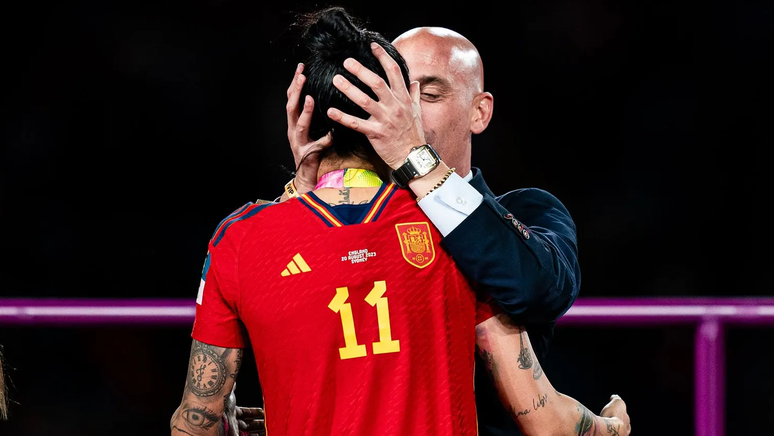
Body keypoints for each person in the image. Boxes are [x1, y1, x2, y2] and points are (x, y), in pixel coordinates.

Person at [172, 6, 629, 436]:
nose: (402, 111)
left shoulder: (512, 217)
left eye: (427, 95)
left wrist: (414, 161)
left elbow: (533, 287)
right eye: (391, 90)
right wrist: (302, 195)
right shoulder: (273, 230)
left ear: (479, 111)